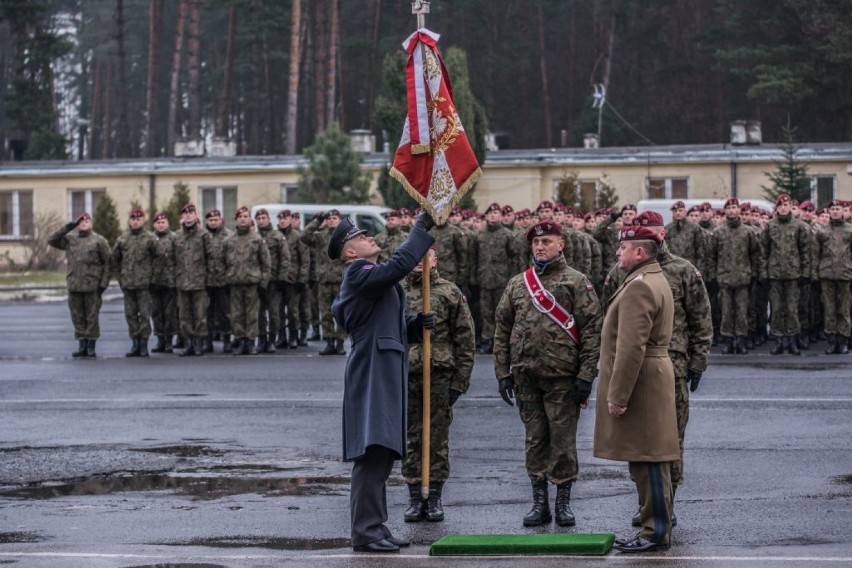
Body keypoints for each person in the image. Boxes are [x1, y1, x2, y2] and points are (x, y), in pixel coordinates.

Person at [330, 211, 437, 553]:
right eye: (362, 236)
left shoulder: (370, 277)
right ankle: (365, 532)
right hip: (372, 369)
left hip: (385, 367)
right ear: (350, 253)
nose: (370, 237)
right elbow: (399, 265)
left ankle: (376, 525)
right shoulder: (359, 273)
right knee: (372, 451)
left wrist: (413, 326)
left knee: (384, 452)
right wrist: (418, 231)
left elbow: (383, 321)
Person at [601, 211, 712, 527]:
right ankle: (647, 504)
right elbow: (609, 313)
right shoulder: (623, 271)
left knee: (669, 441)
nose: (652, 234)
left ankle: (666, 505)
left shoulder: (683, 270)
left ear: (662, 234)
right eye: (643, 229)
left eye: (654, 230)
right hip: (635, 369)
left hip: (672, 368)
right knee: (638, 442)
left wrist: (698, 361)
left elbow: (700, 318)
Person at [494, 220, 602, 527]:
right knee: (535, 441)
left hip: (563, 376)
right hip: (526, 376)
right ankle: (539, 503)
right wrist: (503, 373)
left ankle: (563, 502)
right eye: (536, 243)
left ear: (561, 244)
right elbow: (502, 329)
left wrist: (585, 376)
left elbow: (593, 330)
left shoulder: (576, 281)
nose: (540, 247)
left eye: (547, 242)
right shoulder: (518, 283)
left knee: (563, 440)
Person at [594, 224, 677, 553]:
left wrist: (617, 396)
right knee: (649, 457)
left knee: (649, 459)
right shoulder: (649, 279)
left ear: (639, 252)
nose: (618, 252)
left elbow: (630, 348)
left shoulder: (640, 287)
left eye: (624, 248)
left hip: (642, 380)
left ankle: (654, 530)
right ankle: (654, 526)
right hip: (650, 376)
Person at [401, 246, 475, 523]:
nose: (420, 262)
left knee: (436, 437)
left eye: (426, 256)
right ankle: (413, 495)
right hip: (406, 373)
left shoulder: (449, 292)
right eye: (417, 257)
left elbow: (466, 340)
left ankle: (433, 496)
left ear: (435, 260)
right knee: (411, 436)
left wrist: (461, 381)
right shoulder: (397, 290)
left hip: (440, 374)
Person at [48, 212, 111, 358]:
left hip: (92, 285)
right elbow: (52, 240)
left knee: (91, 317)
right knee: (77, 316)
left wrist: (103, 283)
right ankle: (82, 344)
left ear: (91, 223)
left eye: (87, 221)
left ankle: (91, 346)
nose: (84, 223)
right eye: (81, 221)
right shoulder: (71, 239)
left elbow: (108, 263)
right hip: (74, 284)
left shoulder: (99, 241)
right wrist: (67, 227)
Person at [708, 198, 763, 354]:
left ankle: (740, 339)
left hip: (743, 278)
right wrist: (713, 276)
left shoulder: (748, 232)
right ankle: (729, 340)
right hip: (724, 279)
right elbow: (712, 256)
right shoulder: (718, 232)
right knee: (726, 311)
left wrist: (754, 274)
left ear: (739, 210)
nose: (732, 211)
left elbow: (755, 254)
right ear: (725, 211)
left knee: (741, 311)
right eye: (729, 208)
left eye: (734, 207)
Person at [761, 194, 811, 355]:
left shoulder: (799, 226)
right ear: (777, 207)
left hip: (793, 274)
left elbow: (805, 252)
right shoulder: (770, 226)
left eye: (786, 204)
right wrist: (764, 274)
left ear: (791, 206)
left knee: (792, 309)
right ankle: (778, 341)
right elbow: (763, 251)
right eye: (781, 205)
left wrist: (805, 273)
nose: (784, 207)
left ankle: (792, 340)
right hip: (774, 275)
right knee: (776, 309)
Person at [111, 208, 158, 357]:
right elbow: (115, 261)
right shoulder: (122, 240)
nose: (135, 221)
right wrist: (121, 278)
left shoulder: (150, 238)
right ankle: (135, 343)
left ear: (143, 220)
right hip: (128, 284)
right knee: (130, 315)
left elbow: (159, 259)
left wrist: (152, 277)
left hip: (144, 285)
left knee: (144, 315)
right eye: (133, 219)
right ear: (130, 220)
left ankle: (144, 344)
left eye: (138, 219)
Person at [223, 206, 270, 355]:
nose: (243, 219)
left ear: (250, 219)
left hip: (252, 283)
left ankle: (250, 343)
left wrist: (263, 283)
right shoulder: (228, 240)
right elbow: (222, 262)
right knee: (237, 315)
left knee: (252, 315)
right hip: (235, 283)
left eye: (245, 216)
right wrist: (226, 279)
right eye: (240, 216)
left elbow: (266, 263)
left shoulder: (257, 239)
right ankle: (241, 341)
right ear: (235, 219)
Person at [471, 203, 517, 354]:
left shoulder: (507, 235)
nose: (493, 215)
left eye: (496, 213)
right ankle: (487, 340)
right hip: (484, 279)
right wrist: (473, 276)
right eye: (490, 213)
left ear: (500, 216)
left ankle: (501, 341)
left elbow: (513, 258)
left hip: (501, 279)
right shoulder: (479, 234)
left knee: (501, 311)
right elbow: (474, 257)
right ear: (486, 216)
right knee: (486, 312)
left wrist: (511, 278)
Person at [301, 210, 346, 355]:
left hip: (340, 281)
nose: (331, 220)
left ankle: (340, 343)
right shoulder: (320, 237)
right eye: (329, 218)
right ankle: (329, 342)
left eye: (334, 218)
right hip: (324, 281)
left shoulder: (346, 236)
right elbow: (304, 236)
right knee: (325, 314)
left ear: (339, 220)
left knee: (341, 313)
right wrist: (317, 221)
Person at [173, 203, 213, 357]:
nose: (188, 216)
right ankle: (188, 343)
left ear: (196, 216)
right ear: (182, 217)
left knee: (200, 315)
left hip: (199, 282)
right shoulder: (176, 236)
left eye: (191, 213)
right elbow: (172, 260)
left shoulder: (203, 235)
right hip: (182, 282)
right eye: (185, 214)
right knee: (184, 315)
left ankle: (199, 344)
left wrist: (208, 279)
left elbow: (211, 258)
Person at [816, 199, 852, 353]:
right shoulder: (822, 231)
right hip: (827, 274)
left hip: (845, 273)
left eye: (838, 209)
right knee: (829, 309)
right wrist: (814, 274)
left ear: (843, 211)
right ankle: (832, 341)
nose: (836, 211)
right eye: (833, 209)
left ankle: (843, 340)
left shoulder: (850, 230)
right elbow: (815, 254)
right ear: (829, 212)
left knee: (844, 310)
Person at [255, 208, 290, 353]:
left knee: (274, 312)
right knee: (258, 312)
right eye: (259, 219)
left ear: (269, 219)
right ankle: (262, 339)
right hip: (257, 281)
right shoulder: (254, 237)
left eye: (264, 218)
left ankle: (272, 340)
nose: (261, 221)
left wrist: (282, 278)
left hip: (274, 281)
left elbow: (285, 258)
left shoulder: (277, 236)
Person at [276, 210, 310, 348]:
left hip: (293, 280)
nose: (283, 221)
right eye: (281, 218)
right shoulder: (276, 236)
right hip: (278, 279)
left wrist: (302, 279)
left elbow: (305, 259)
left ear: (290, 220)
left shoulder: (298, 236)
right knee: (278, 311)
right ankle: (281, 337)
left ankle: (293, 337)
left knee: (293, 311)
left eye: (286, 218)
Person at [204, 208, 233, 353]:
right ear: (206, 221)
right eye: (210, 220)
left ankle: (227, 339)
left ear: (221, 220)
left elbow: (233, 260)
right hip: (207, 281)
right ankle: (207, 341)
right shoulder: (202, 236)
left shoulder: (228, 236)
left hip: (223, 281)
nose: (214, 223)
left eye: (216, 220)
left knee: (225, 313)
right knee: (207, 313)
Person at [149, 211, 178, 353]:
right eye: (158, 223)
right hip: (154, 282)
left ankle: (169, 342)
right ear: (154, 224)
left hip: (170, 281)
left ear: (167, 224)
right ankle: (160, 340)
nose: (160, 225)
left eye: (163, 222)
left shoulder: (174, 238)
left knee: (170, 313)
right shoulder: (150, 239)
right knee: (156, 313)